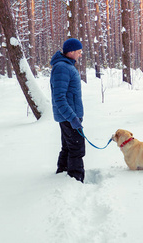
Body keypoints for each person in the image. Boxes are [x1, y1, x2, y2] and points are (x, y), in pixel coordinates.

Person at [50, 38, 85, 182]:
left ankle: (62, 174)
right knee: (77, 149)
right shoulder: (62, 68)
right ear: (71, 52)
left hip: (70, 116)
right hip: (69, 117)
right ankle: (75, 179)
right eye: (79, 52)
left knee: (68, 146)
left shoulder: (66, 66)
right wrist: (73, 118)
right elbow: (59, 98)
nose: (80, 55)